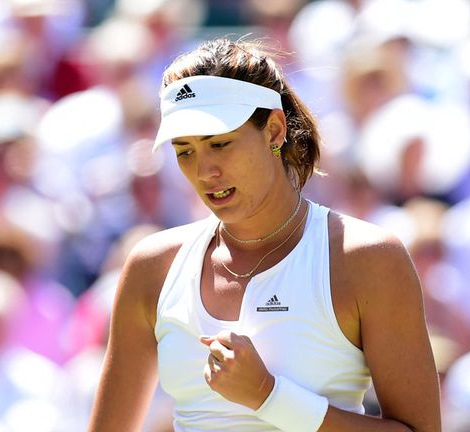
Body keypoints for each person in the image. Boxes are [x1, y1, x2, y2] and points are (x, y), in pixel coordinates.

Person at [89, 38, 440, 431]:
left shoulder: (369, 259)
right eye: (184, 151)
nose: (205, 172)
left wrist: (268, 396)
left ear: (274, 130)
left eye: (220, 144)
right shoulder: (151, 266)